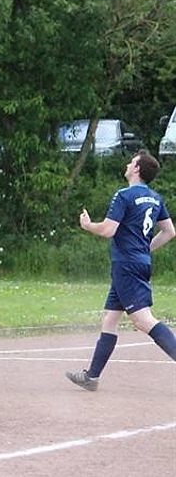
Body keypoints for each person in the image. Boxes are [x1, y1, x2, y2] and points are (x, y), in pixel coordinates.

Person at [67, 149, 176, 391]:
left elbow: (108, 230)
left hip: (126, 265)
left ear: (137, 169)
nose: (127, 165)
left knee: (143, 320)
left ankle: (92, 376)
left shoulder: (124, 195)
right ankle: (91, 377)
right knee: (110, 318)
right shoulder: (155, 198)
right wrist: (145, 249)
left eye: (131, 162)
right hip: (135, 263)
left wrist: (88, 225)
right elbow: (170, 232)